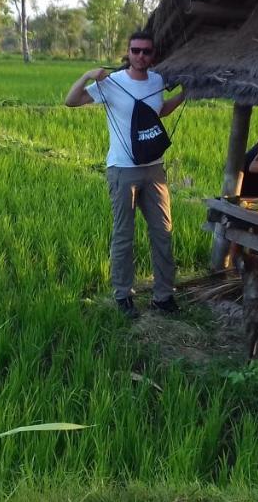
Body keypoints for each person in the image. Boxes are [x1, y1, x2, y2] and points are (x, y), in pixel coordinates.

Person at [64, 30, 186, 320]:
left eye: (146, 51)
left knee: (163, 232)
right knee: (124, 234)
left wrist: (183, 95)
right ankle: (123, 295)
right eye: (136, 51)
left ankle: (163, 295)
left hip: (154, 168)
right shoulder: (112, 83)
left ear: (152, 54)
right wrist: (87, 75)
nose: (141, 56)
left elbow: (160, 111)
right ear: (128, 53)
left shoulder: (158, 81)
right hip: (122, 170)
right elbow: (71, 101)